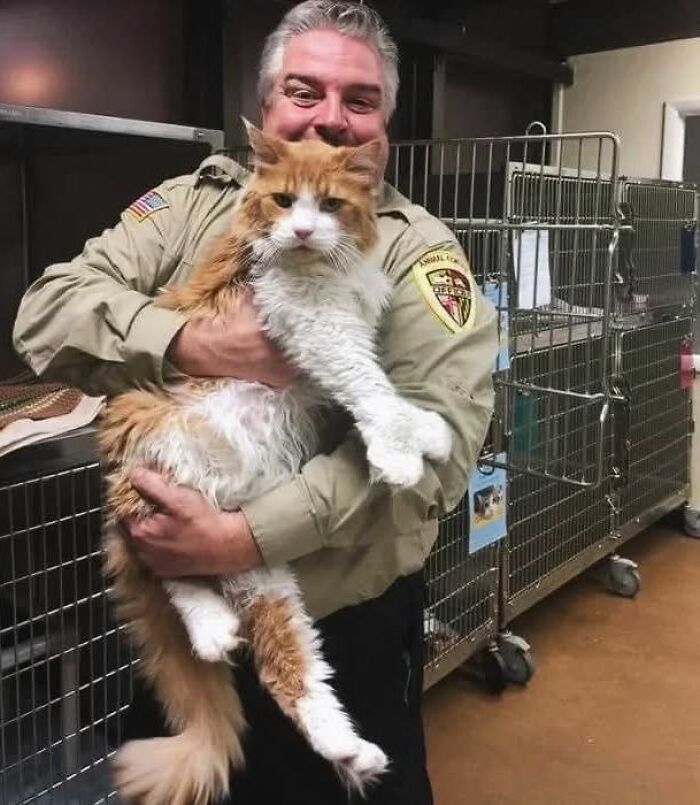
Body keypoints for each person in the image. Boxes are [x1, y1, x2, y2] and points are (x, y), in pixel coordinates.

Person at [13, 2, 497, 802]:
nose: (331, 119)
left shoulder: (416, 248)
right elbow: (47, 313)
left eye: (360, 100)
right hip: (186, 607)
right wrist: (192, 343)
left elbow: (438, 455)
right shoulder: (196, 201)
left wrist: (241, 539)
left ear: (385, 125)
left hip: (341, 628)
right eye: (305, 90)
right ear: (267, 103)